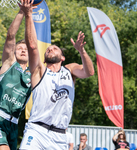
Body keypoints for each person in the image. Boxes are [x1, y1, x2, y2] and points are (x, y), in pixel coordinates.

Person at [19, 0, 94, 149]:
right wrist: (28, 15)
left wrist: (82, 51)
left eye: (55, 48)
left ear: (63, 57)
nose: (50, 49)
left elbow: (89, 72)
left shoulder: (69, 70)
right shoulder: (39, 71)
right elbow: (32, 46)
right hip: (37, 131)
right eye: (48, 49)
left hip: (60, 137)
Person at [0, 4, 31, 150]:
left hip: (14, 124)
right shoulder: (9, 64)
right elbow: (10, 36)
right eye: (20, 48)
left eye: (26, 48)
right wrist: (22, 11)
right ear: (14, 53)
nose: (23, 50)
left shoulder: (33, 74)